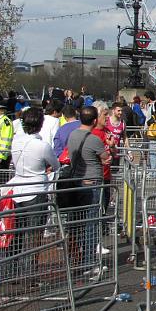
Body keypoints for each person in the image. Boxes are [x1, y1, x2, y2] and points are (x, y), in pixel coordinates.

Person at [7, 108, 61, 261]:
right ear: (40, 124)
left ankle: (13, 269)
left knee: (17, 232)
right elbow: (55, 165)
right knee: (34, 235)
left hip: (18, 190)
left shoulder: (16, 142)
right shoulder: (42, 146)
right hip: (36, 190)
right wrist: (46, 167)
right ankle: (29, 273)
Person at [65, 106, 109, 273]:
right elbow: (105, 158)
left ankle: (78, 259)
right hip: (92, 184)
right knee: (91, 224)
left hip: (77, 182)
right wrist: (108, 151)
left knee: (77, 223)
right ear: (94, 121)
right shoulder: (93, 140)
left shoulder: (73, 134)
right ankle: (89, 262)